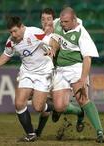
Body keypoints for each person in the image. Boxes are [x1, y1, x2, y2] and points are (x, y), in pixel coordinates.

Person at [0, 15, 59, 142]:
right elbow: (6, 54)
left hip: (44, 72)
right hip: (27, 72)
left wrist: (52, 48)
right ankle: (31, 134)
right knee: (19, 103)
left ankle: (57, 107)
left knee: (38, 107)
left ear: (22, 27)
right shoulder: (11, 41)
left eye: (15, 31)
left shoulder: (34, 33)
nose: (13, 34)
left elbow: (52, 39)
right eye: (11, 32)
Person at [50, 7, 104, 143]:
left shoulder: (82, 33)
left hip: (76, 68)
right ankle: (79, 113)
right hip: (59, 69)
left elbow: (87, 58)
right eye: (62, 21)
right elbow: (53, 34)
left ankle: (100, 133)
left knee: (82, 99)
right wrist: (52, 46)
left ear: (74, 20)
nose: (62, 24)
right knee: (58, 106)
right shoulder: (58, 23)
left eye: (66, 22)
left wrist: (83, 79)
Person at [35, 7, 85, 138]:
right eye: (43, 19)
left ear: (55, 20)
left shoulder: (59, 31)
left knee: (53, 104)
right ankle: (39, 131)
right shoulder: (38, 34)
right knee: (44, 103)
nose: (46, 22)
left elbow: (77, 21)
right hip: (44, 73)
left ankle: (79, 112)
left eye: (49, 19)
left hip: (58, 72)